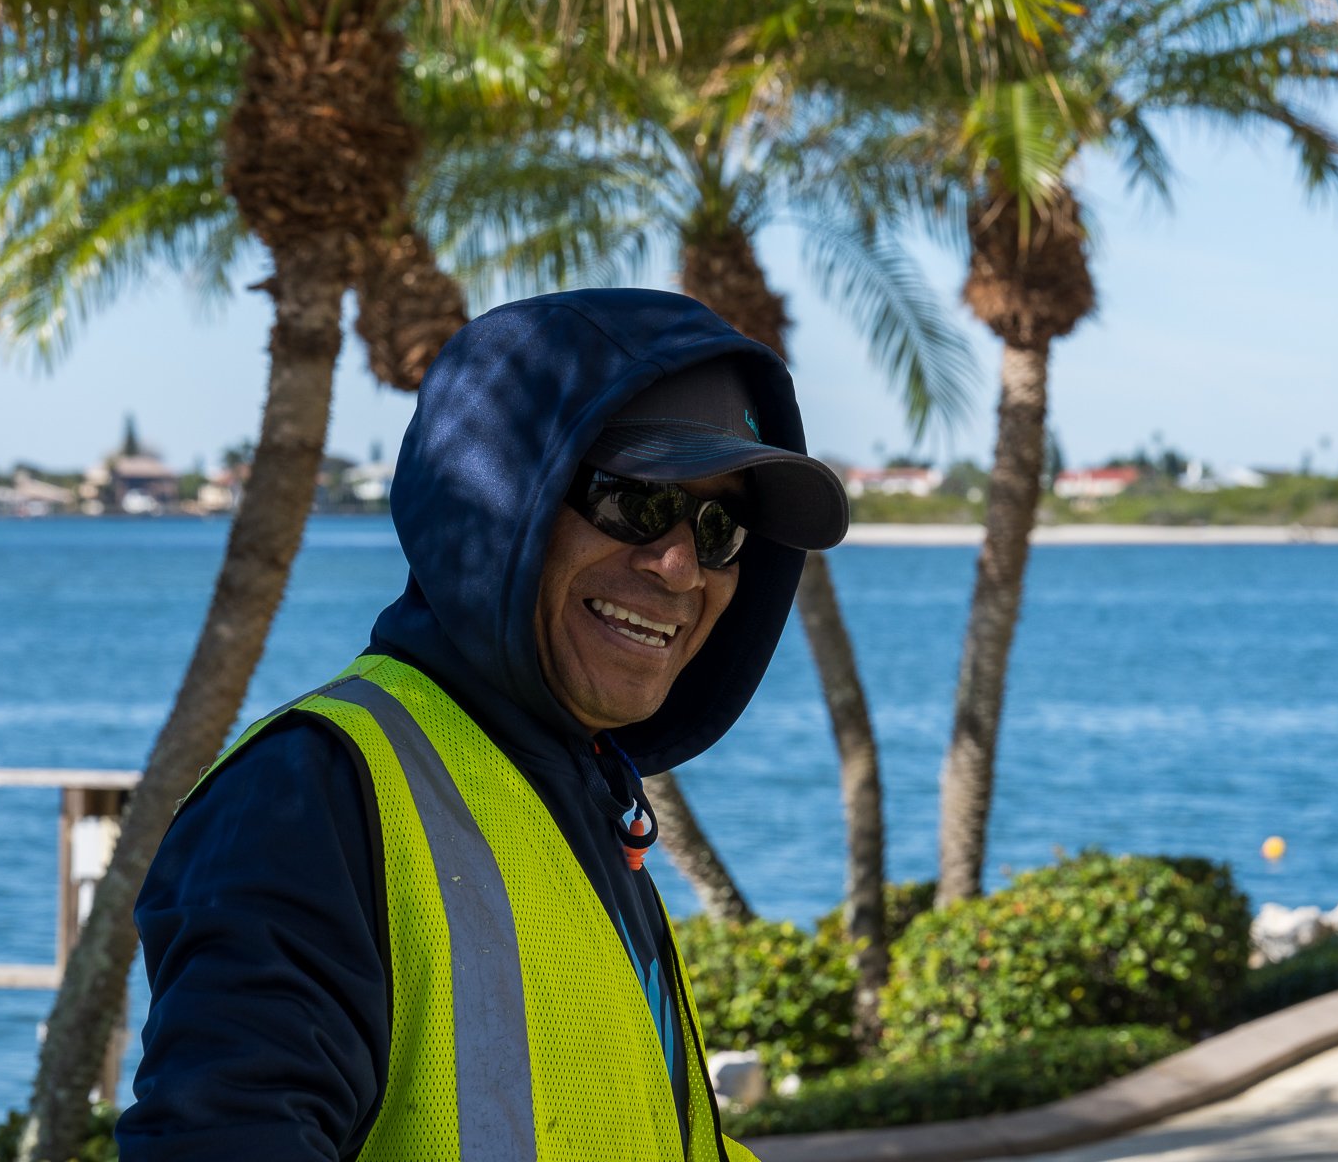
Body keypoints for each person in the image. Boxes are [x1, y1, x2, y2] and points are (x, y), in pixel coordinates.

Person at [116, 288, 850, 1161]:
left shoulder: (579, 797)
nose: (681, 566)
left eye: (721, 527)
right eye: (637, 501)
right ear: (501, 503)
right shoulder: (313, 793)